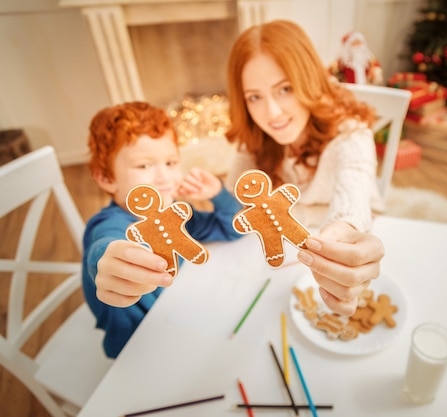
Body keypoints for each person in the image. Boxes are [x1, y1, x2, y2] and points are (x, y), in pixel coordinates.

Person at [224, 20, 386, 316]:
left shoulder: (350, 135)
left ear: (307, 80)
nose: (272, 113)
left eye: (284, 89)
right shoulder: (256, 136)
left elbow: (352, 203)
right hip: (271, 271)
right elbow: (233, 201)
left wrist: (343, 231)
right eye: (255, 97)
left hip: (314, 263)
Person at [83, 101, 242, 358]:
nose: (164, 178)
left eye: (170, 163)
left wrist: (218, 194)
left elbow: (234, 228)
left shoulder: (174, 213)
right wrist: (106, 259)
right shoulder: (111, 225)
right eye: (144, 166)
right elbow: (102, 248)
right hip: (138, 345)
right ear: (107, 178)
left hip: (181, 313)